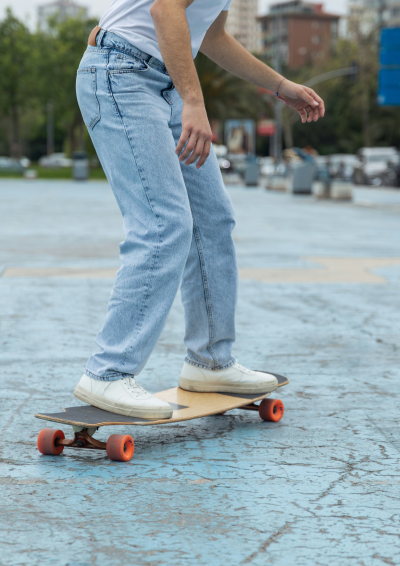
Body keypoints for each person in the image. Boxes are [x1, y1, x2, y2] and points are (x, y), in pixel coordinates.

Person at [74, 0, 325, 419]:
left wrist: (282, 85)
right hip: (121, 73)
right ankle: (107, 371)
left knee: (213, 220)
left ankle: (210, 361)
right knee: (163, 224)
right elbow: (165, 9)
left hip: (165, 81)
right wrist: (194, 100)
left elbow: (212, 36)